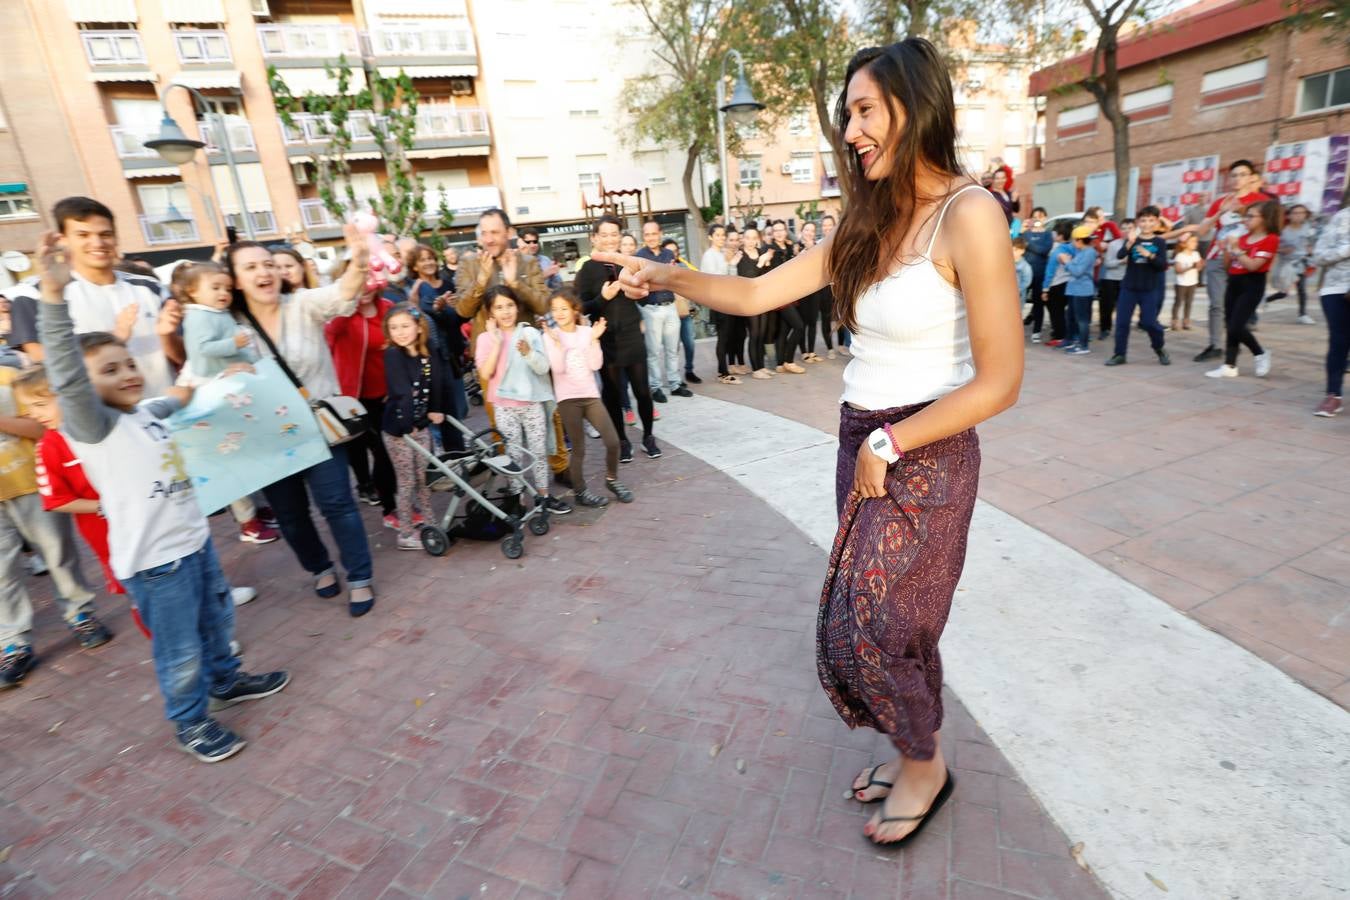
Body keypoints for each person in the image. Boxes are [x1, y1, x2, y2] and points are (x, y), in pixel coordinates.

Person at [596, 38, 1022, 847]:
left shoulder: (969, 213)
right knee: (892, 624)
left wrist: (892, 444)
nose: (852, 129)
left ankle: (927, 769)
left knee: (873, 620)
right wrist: (671, 275)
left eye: (865, 110)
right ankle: (913, 749)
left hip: (923, 445)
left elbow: (999, 381)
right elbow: (757, 292)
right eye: (847, 115)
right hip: (859, 437)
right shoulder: (870, 218)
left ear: (913, 103)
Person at [35, 234, 288, 760]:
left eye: (126, 362)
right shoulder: (93, 426)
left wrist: (224, 375)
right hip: (155, 564)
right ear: (79, 393)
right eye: (108, 370)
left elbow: (179, 394)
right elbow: (65, 371)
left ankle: (226, 681)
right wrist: (55, 299)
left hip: (193, 544)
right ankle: (190, 722)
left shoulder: (141, 413)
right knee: (179, 651)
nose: (127, 373)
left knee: (217, 623)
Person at [227, 227, 378, 618]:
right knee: (291, 515)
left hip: (319, 429)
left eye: (268, 264)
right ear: (234, 280)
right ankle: (319, 567)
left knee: (337, 503)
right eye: (251, 267)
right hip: (269, 440)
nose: (264, 272)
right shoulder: (225, 326)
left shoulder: (302, 304)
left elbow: (343, 293)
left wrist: (359, 261)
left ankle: (359, 576)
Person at [0, 359, 109, 690]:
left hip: (29, 483)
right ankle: (13, 641)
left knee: (57, 553)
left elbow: (41, 426)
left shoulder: (9, 377)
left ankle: (80, 613)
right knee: (2, 573)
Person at [6, 198, 184, 389]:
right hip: (99, 416)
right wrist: (110, 340)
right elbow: (47, 364)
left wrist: (167, 336)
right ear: (62, 239)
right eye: (83, 234)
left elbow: (182, 357)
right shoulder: (35, 295)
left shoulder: (151, 288)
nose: (97, 243)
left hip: (164, 409)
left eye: (105, 234)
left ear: (116, 238)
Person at [455, 209, 571, 485]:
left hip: (528, 352)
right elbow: (462, 309)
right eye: (484, 233)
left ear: (508, 233)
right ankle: (512, 478)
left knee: (547, 410)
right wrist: (482, 280)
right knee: (500, 420)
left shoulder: (527, 262)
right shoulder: (469, 265)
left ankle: (559, 466)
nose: (489, 239)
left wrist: (514, 283)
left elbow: (544, 305)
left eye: (495, 232)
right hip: (493, 357)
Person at [474, 286, 571, 514]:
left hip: (531, 404)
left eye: (509, 305)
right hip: (504, 407)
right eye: (499, 307)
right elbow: (485, 373)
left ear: (517, 307)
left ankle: (543, 496)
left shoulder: (530, 334)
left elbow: (543, 367)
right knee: (512, 455)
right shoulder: (486, 339)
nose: (506, 312)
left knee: (538, 452)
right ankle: (517, 499)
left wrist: (528, 352)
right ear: (490, 313)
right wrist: (498, 344)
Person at [1172, 159, 1277, 362]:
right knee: (1216, 304)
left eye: (1242, 174)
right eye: (1234, 175)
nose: (1238, 179)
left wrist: (1241, 211)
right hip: (1217, 257)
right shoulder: (1221, 202)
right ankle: (1215, 345)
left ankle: (1235, 343)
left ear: (1251, 178)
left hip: (1244, 259)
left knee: (1236, 308)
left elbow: (1268, 230)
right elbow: (1202, 230)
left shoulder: (1260, 201)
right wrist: (1222, 211)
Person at [575, 216, 660, 462]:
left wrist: (641, 290)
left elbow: (645, 298)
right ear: (595, 238)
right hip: (607, 339)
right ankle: (622, 440)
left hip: (632, 335)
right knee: (612, 394)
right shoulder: (588, 269)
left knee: (643, 391)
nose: (610, 239)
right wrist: (603, 297)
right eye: (605, 234)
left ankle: (648, 437)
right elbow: (581, 307)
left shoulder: (631, 264)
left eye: (615, 234)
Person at [544, 289, 633, 506]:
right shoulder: (550, 336)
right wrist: (557, 345)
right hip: (568, 399)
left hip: (591, 395)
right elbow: (557, 368)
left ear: (575, 310)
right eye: (554, 309)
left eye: (563, 308)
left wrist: (593, 340)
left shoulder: (586, 333)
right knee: (579, 448)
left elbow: (595, 365)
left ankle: (612, 479)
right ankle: (581, 492)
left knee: (613, 442)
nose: (559, 313)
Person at [324, 283, 398, 523]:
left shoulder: (388, 308)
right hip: (352, 398)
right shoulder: (341, 314)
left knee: (389, 451)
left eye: (369, 281)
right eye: (358, 281)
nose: (364, 287)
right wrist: (346, 306)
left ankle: (394, 501)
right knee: (378, 451)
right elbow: (327, 340)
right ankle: (390, 508)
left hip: (387, 393)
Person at [380, 305, 446, 550]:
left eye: (405, 326)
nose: (400, 332)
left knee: (423, 479)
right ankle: (406, 533)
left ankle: (430, 522)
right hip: (399, 430)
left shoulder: (428, 354)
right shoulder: (393, 355)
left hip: (420, 426)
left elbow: (436, 382)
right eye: (394, 327)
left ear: (419, 327)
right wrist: (408, 426)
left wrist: (436, 408)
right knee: (407, 481)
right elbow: (401, 393)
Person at [1206, 200, 1280, 379]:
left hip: (1252, 284)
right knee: (1230, 323)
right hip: (1234, 282)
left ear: (1265, 218)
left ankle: (1260, 353)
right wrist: (1226, 250)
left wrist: (1237, 249)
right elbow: (1227, 265)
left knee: (1236, 326)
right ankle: (1229, 365)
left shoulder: (1271, 239)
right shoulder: (1242, 238)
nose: (1245, 220)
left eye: (1250, 216)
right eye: (1245, 216)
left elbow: (1253, 266)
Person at [406, 244, 469, 452]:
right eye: (422, 260)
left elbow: (459, 317)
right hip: (435, 356)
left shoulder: (447, 282)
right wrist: (441, 310)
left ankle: (457, 449)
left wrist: (450, 310)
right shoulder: (419, 288)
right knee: (442, 407)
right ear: (414, 266)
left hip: (453, 353)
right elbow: (428, 316)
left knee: (459, 407)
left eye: (431, 258)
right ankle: (448, 451)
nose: (428, 262)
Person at [1106, 206, 1171, 367]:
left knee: (1149, 322)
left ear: (1156, 222)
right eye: (1143, 220)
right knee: (1122, 322)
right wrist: (1130, 243)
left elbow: (1162, 265)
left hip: (1149, 289)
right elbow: (1120, 255)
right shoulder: (1133, 239)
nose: (1147, 224)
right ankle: (1119, 354)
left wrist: (1149, 255)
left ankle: (1159, 347)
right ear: (1138, 222)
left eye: (1151, 220)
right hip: (1129, 287)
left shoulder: (1160, 242)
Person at [175, 262, 257, 382]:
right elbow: (203, 348)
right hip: (212, 377)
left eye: (228, 289)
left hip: (228, 372)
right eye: (215, 288)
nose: (224, 293)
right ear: (193, 291)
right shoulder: (199, 316)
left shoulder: (215, 312)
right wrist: (234, 343)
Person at [636, 221, 688, 400]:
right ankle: (655, 387)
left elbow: (674, 279)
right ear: (644, 237)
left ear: (660, 234)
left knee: (672, 349)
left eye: (653, 233)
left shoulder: (668, 254)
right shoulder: (640, 256)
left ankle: (675, 384)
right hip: (651, 308)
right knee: (653, 351)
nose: (651, 237)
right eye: (647, 234)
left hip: (670, 306)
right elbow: (644, 283)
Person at [1312, 183, 1350, 417]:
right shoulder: (1340, 218)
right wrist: (1346, 249)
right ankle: (1333, 395)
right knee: (1339, 341)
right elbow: (1319, 255)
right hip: (1336, 288)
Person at [699, 224, 741, 384]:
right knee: (723, 338)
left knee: (728, 336)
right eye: (718, 235)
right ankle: (722, 373)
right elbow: (713, 279)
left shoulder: (724, 253)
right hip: (717, 302)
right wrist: (728, 262)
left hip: (728, 300)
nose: (722, 238)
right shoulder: (709, 256)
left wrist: (732, 264)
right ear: (710, 237)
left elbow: (731, 276)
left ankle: (726, 369)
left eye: (723, 235)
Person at [766, 221, 807, 374]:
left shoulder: (790, 247)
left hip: (790, 294)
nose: (779, 233)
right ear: (772, 233)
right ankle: (789, 361)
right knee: (799, 326)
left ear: (785, 231)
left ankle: (779, 363)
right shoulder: (770, 249)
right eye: (775, 230)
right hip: (779, 296)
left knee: (784, 330)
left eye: (781, 230)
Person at [736, 226, 775, 379]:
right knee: (754, 333)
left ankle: (761, 366)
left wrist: (765, 263)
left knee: (761, 333)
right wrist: (760, 263)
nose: (751, 241)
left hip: (762, 298)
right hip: (749, 300)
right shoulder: (741, 255)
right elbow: (749, 277)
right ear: (743, 239)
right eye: (748, 238)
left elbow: (765, 275)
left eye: (754, 238)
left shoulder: (760, 253)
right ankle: (755, 369)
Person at [663, 238, 703, 386]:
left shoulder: (682, 266)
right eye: (669, 251)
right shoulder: (660, 268)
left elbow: (695, 279)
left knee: (690, 344)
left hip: (684, 313)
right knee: (672, 348)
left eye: (675, 250)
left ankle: (689, 370)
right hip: (669, 314)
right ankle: (674, 376)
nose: (672, 253)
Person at [1267, 204, 1316, 324]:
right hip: (1286, 265)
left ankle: (1302, 314)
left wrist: (1310, 253)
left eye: (1302, 213)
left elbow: (1310, 244)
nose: (1299, 216)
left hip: (1301, 263)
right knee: (1283, 293)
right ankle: (1265, 300)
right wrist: (1282, 250)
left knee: (1302, 289)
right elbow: (1273, 246)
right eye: (1296, 213)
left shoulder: (1308, 228)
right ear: (1289, 215)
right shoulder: (1283, 231)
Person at [1062, 225, 1099, 355]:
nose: (1072, 242)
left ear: (1079, 240)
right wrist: (1069, 263)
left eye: (1074, 240)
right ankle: (1072, 341)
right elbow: (1073, 268)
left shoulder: (1089, 252)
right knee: (1071, 317)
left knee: (1082, 320)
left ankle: (1083, 346)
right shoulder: (1081, 251)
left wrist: (1067, 262)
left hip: (1082, 291)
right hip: (1074, 290)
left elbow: (1077, 271)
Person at [1039, 221, 1073, 346]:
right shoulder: (1073, 248)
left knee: (1056, 312)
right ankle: (1065, 334)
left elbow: (1050, 272)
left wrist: (1045, 289)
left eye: (1054, 232)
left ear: (1059, 236)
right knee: (1063, 312)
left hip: (1056, 285)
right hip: (1069, 283)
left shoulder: (1056, 251)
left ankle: (1059, 337)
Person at [1022, 209, 1052, 342]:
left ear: (1045, 218)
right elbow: (1018, 246)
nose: (1038, 219)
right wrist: (1027, 240)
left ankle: (1037, 331)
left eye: (1041, 216)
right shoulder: (1025, 233)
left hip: (1040, 273)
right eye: (1035, 217)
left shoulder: (1048, 234)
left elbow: (1044, 250)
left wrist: (1029, 243)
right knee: (1019, 302)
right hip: (1024, 273)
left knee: (1038, 302)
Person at [1098, 219, 1128, 339]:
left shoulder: (1137, 244)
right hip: (1110, 279)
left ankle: (1121, 330)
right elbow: (1108, 263)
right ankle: (1105, 329)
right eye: (1124, 228)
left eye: (1130, 228)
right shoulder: (1114, 244)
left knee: (1124, 307)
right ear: (1120, 230)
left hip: (1127, 280)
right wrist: (1121, 261)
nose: (1126, 231)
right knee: (1107, 306)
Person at [1172, 233, 1202, 331]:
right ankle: (1175, 321)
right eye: (1193, 241)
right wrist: (1190, 267)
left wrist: (1200, 265)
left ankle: (1186, 321)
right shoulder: (1180, 256)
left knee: (1189, 302)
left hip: (1192, 282)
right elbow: (1178, 270)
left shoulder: (1196, 254)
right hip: (1181, 283)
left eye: (1196, 242)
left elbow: (1199, 267)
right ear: (1184, 244)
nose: (1195, 244)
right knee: (1178, 302)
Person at [520, 227, 563, 293]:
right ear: (521, 244)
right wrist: (544, 275)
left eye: (535, 241)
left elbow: (557, 287)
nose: (532, 245)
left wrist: (554, 274)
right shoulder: (517, 262)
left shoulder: (545, 260)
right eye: (528, 242)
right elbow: (522, 288)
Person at [1012, 238, 1032, 308]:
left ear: (1022, 251)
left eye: (1016, 250)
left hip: (1018, 296)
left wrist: (1017, 290)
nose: (1013, 252)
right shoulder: (1007, 262)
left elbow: (1027, 282)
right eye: (1012, 249)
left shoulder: (1025, 266)